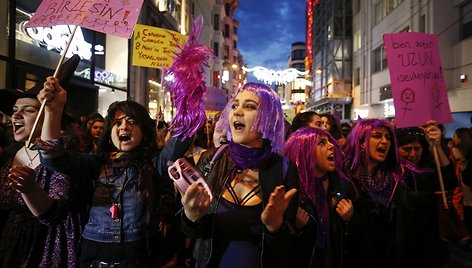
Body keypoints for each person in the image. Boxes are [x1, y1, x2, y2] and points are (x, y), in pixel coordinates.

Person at [37, 76, 191, 267]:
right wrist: (53, 110)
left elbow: (183, 137)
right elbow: (52, 158)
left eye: (132, 121)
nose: (124, 126)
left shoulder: (154, 164)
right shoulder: (95, 163)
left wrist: (189, 97)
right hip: (95, 252)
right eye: (117, 123)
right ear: (110, 133)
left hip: (141, 252)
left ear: (144, 130)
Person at [180, 82, 299, 268]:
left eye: (250, 106)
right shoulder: (210, 160)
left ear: (269, 117)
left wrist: (275, 227)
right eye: (235, 105)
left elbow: (287, 245)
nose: (237, 111)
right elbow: (194, 233)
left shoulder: (284, 169)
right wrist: (191, 216)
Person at [0, 87, 83, 267]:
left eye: (28, 110)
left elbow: (55, 215)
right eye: (14, 111)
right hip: (12, 247)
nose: (16, 116)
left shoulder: (62, 157)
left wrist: (29, 189)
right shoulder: (7, 156)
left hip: (45, 247)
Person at [284, 127, 354, 268]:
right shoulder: (289, 191)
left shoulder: (343, 186)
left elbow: (355, 240)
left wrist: (349, 219)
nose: (331, 146)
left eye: (329, 141)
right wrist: (295, 227)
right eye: (321, 143)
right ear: (303, 151)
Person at [342, 118, 407, 268]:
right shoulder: (346, 179)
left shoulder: (395, 179)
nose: (385, 142)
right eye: (377, 136)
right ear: (361, 143)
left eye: (388, 137)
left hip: (387, 256)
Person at [395, 124, 458, 267]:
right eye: (407, 149)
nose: (413, 154)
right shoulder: (391, 172)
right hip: (401, 239)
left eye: (417, 149)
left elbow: (450, 182)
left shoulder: (427, 169)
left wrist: (437, 147)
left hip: (428, 238)